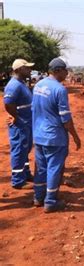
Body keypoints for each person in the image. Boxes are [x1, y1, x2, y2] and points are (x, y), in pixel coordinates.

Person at [32, 57, 81, 213]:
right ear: (58, 71)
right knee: (54, 168)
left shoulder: (38, 85)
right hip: (54, 137)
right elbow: (66, 119)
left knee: (40, 168)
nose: (67, 73)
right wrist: (75, 136)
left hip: (39, 135)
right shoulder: (59, 90)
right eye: (65, 70)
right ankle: (51, 202)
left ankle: (38, 197)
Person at [3, 59, 35, 189]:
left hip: (26, 122)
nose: (30, 70)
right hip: (20, 123)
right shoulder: (14, 85)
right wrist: (15, 116)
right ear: (18, 70)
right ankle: (17, 181)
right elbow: (8, 104)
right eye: (26, 68)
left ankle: (26, 174)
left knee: (25, 149)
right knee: (18, 150)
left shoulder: (21, 83)